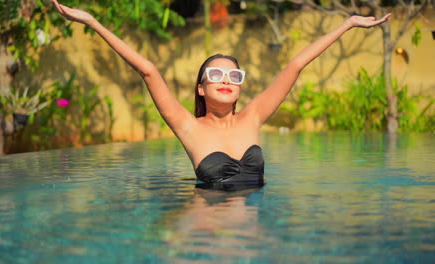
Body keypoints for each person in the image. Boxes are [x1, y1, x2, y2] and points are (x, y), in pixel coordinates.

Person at [51, 0, 391, 188]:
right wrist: (93, 22)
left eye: (233, 75)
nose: (225, 80)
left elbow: (296, 65)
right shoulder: (188, 127)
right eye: (215, 74)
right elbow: (148, 70)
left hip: (252, 227)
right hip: (205, 225)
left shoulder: (253, 117)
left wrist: (347, 24)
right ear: (201, 87)